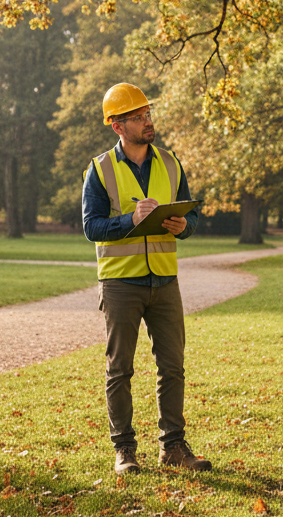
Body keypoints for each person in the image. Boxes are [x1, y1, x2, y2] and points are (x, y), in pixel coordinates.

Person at [82, 82, 212, 477]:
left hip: (165, 282)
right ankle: (124, 450)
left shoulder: (171, 162)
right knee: (120, 369)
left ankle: (173, 446)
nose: (147, 121)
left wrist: (181, 226)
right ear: (117, 125)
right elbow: (91, 227)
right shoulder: (100, 169)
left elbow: (192, 218)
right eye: (138, 117)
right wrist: (131, 220)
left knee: (172, 367)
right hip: (121, 283)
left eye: (147, 113)